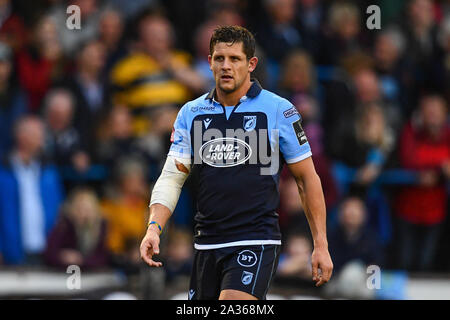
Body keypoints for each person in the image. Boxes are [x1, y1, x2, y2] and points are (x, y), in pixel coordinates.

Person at [140, 26, 333, 300]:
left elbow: (307, 178)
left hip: (255, 239)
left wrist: (321, 244)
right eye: (219, 59)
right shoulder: (190, 113)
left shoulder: (279, 110)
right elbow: (172, 176)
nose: (225, 66)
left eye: (234, 59)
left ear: (251, 64)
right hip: (206, 242)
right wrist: (153, 229)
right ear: (209, 62)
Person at [0, 116, 64, 265]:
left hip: (46, 250)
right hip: (11, 252)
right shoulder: (3, 170)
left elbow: (59, 209)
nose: (42, 139)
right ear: (21, 136)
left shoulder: (49, 171)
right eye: (37, 134)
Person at [44, 188, 109, 270]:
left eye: (87, 209)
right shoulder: (63, 226)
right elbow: (49, 254)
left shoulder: (101, 227)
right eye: (79, 208)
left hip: (91, 275)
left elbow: (104, 256)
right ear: (71, 209)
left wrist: (81, 260)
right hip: (64, 274)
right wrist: (62, 257)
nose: (83, 213)